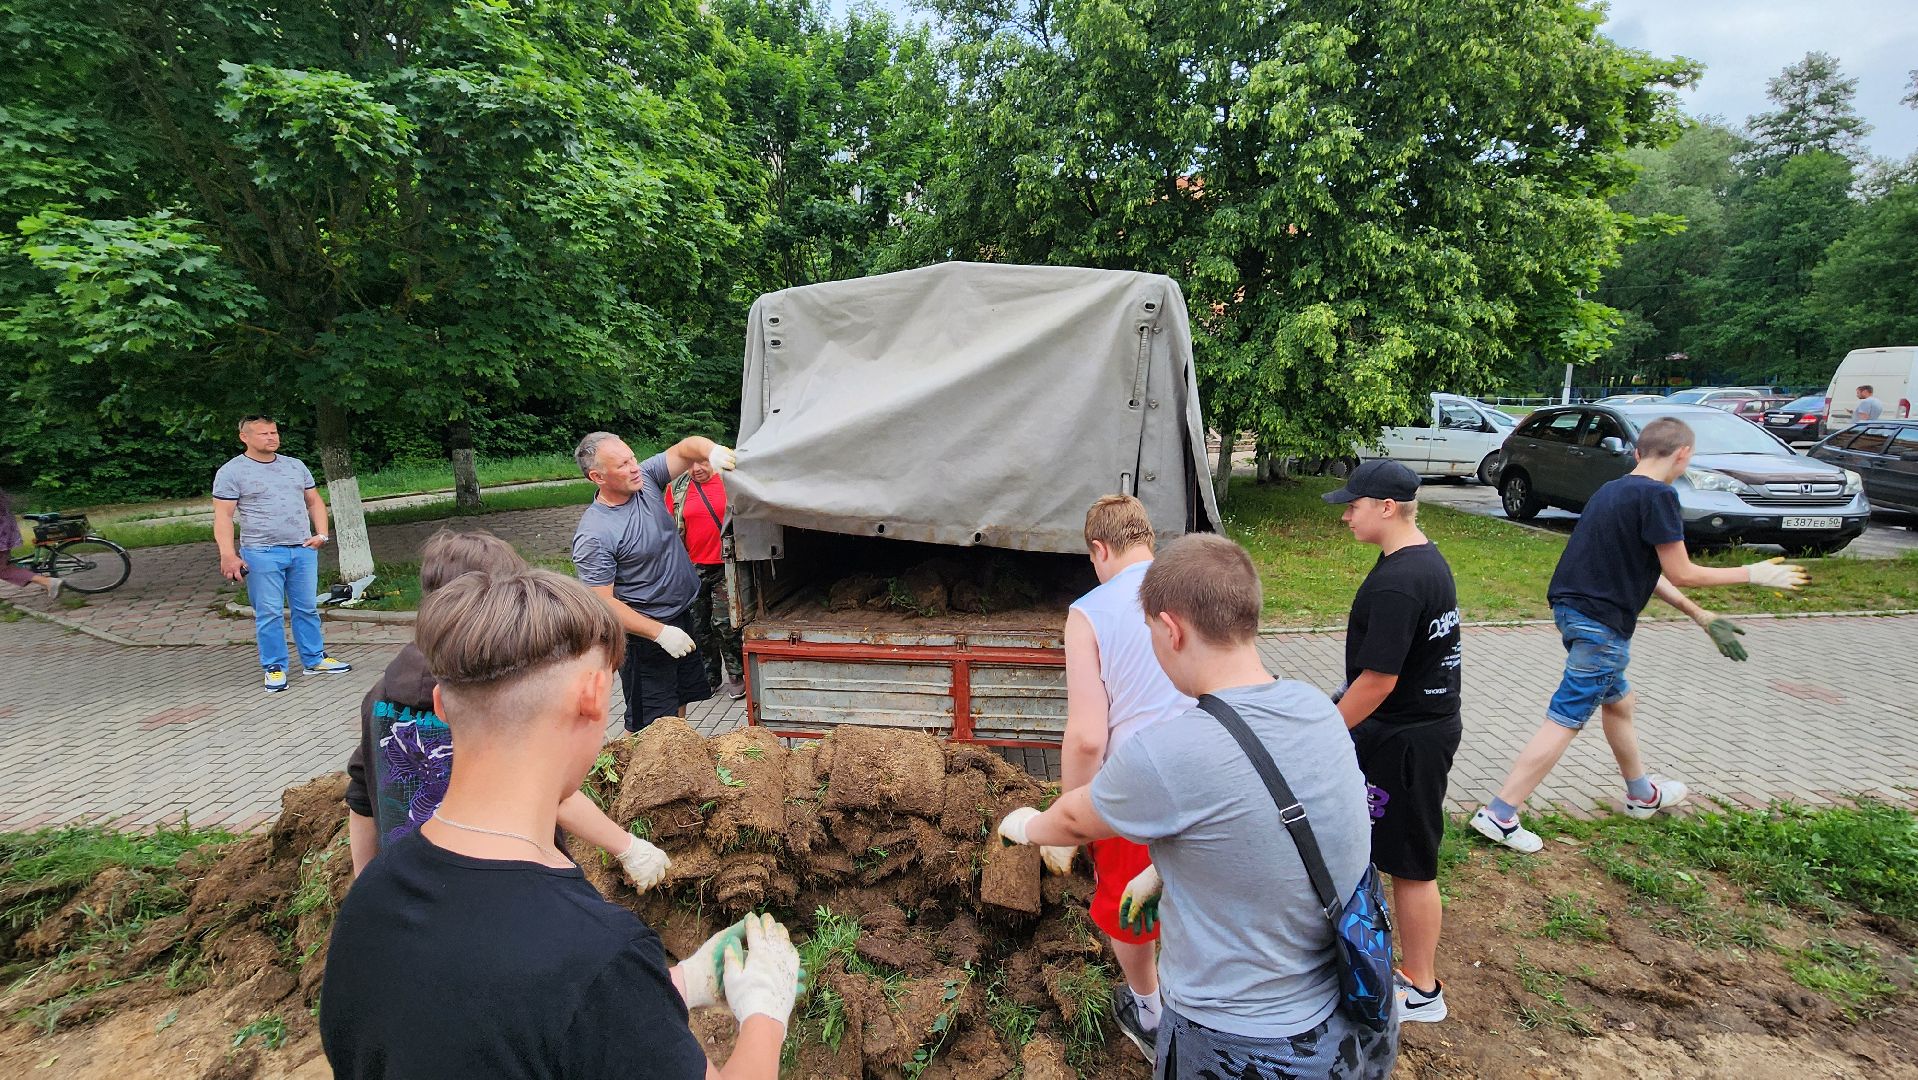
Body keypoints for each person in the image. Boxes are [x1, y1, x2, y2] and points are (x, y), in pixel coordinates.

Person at [320, 568, 800, 1079]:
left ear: (442, 705)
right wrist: (765, 1015)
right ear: (593, 696)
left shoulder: (369, 902)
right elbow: (562, 1001)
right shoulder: (599, 955)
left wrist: (681, 982)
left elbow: (491, 1023)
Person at [998, 534, 1398, 1079]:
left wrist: (1026, 826)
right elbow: (1273, 823)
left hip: (1240, 1046)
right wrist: (1163, 871)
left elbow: (1072, 820)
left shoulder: (1170, 754)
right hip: (1352, 1025)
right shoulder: (1314, 707)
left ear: (1171, 630)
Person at [1470, 417, 1809, 853]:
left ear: (1636, 453)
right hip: (1602, 625)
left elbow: (1644, 572)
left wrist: (1699, 616)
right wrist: (1754, 573)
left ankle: (1641, 794)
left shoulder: (1612, 490)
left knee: (1620, 702)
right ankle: (1500, 814)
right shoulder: (1660, 497)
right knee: (1565, 718)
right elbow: (1681, 572)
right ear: (1684, 455)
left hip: (1573, 611)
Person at [343, 528, 672, 893]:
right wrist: (627, 846)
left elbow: (361, 794)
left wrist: (366, 881)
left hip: (410, 886)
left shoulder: (379, 695)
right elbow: (549, 791)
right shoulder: (492, 697)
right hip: (506, 882)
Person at [1323, 460, 1460, 1024]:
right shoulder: (1419, 560)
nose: (1346, 515)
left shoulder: (1402, 580)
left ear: (1386, 507)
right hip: (1412, 729)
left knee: (1411, 863)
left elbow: (1378, 681)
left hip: (1408, 741)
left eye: (1354, 505)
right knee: (1387, 851)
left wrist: (1325, 732)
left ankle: (1422, 988)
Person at [1055, 495, 1191, 1059]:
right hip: (1207, 769)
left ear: (1099, 549)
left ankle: (1149, 1010)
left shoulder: (1089, 612)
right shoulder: (1190, 590)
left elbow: (1088, 737)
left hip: (1139, 786)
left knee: (1130, 907)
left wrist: (1070, 815)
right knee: (1192, 891)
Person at [571, 431, 737, 731]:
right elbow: (601, 602)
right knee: (652, 723)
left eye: (632, 457)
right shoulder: (595, 534)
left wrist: (712, 452)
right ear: (598, 476)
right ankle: (651, 772)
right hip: (644, 638)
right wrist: (659, 634)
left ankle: (677, 758)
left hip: (681, 617)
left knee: (678, 700)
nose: (634, 466)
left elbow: (687, 448)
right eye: (622, 464)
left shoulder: (644, 480)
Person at [211, 415, 351, 693]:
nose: (271, 437)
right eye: (263, 433)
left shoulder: (295, 465)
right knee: (269, 612)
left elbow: (314, 501)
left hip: (302, 549)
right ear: (245, 437)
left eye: (274, 432)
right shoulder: (232, 472)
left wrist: (321, 534)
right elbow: (223, 516)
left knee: (307, 607)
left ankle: (314, 659)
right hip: (261, 552)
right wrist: (228, 555)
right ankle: (274, 667)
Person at [666, 461, 745, 700]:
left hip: (726, 565)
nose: (696, 468)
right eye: (690, 464)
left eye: (702, 462)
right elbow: (669, 527)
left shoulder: (730, 480)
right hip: (692, 567)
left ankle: (736, 672)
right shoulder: (677, 488)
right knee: (699, 625)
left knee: (724, 623)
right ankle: (709, 676)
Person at [0, 486, 61, 599]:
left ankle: (47, 581)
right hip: (5, 529)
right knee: (6, 564)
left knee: (2, 570)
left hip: (2, 532)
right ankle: (40, 578)